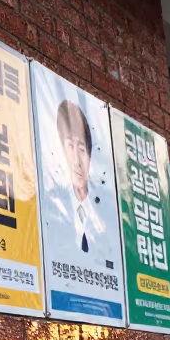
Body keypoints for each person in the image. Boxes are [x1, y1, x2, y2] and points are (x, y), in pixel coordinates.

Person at [55, 99, 104, 253]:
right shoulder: (54, 205)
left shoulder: (105, 211)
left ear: (90, 155)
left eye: (82, 149)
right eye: (70, 146)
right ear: (62, 150)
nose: (77, 161)